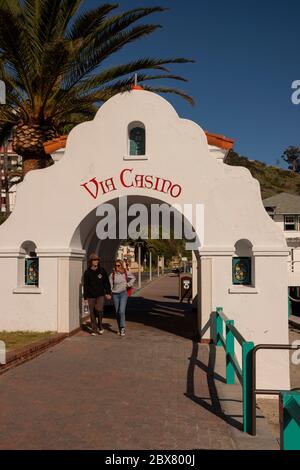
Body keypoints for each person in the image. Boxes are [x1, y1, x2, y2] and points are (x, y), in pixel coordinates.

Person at [83, 253, 112, 336]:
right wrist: (85, 297)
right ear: (91, 261)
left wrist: (108, 292)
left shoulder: (102, 270)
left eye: (97, 260)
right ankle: (94, 329)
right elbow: (86, 285)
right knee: (91, 312)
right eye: (94, 260)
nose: (96, 261)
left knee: (99, 310)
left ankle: (100, 324)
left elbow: (106, 282)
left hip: (100, 295)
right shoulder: (87, 272)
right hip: (90, 295)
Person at [110, 260, 135, 336]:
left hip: (123, 294)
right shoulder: (112, 275)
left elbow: (133, 278)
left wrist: (128, 284)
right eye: (116, 266)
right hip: (115, 295)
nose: (117, 267)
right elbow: (110, 286)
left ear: (121, 265)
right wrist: (111, 292)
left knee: (121, 311)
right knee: (117, 312)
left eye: (118, 265)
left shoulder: (125, 273)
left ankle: (122, 327)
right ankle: (120, 328)